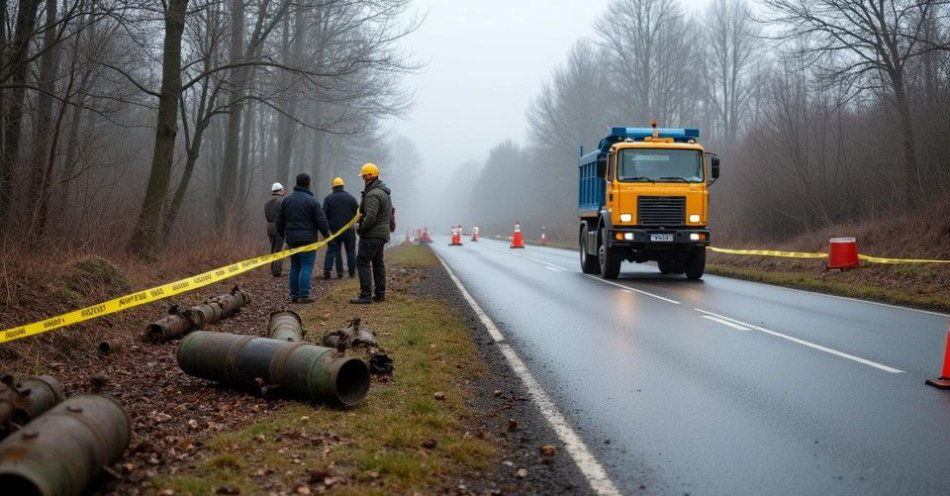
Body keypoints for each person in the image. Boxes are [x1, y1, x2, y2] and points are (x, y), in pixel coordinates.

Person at [276, 173, 330, 304]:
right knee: (306, 266)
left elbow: (279, 222)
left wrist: (285, 236)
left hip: (292, 240)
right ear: (308, 184)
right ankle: (304, 295)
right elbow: (321, 221)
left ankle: (294, 295)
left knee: (295, 266)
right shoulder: (313, 201)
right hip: (308, 241)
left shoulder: (286, 201)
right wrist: (327, 236)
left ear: (297, 183)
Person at [350, 163, 392, 304]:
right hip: (381, 235)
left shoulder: (373, 194)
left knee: (362, 261)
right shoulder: (383, 192)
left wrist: (360, 229)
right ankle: (380, 294)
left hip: (371, 235)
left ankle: (366, 295)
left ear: (369, 177)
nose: (362, 179)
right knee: (378, 263)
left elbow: (371, 217)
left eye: (363, 176)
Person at [322, 177, 359, 279]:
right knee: (350, 251)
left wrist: (326, 229)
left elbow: (323, 215)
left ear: (333, 187)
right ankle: (352, 272)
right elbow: (358, 213)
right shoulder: (351, 198)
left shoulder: (328, 199)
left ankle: (338, 272)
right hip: (349, 231)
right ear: (343, 186)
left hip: (334, 231)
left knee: (335, 251)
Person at [264, 183, 286, 277]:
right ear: (279, 190)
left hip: (269, 227)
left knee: (273, 248)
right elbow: (284, 216)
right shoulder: (282, 201)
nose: (284, 191)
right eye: (282, 189)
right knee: (279, 249)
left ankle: (273, 269)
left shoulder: (267, 203)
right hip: (278, 227)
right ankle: (277, 271)